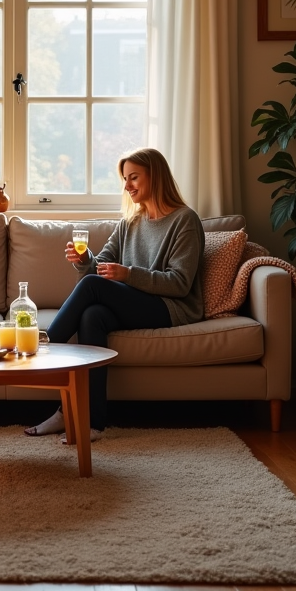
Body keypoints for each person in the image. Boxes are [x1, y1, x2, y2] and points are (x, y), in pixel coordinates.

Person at [24, 147, 205, 443]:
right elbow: (99, 267)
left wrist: (128, 274)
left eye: (134, 177)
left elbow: (180, 283)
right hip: (133, 303)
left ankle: (43, 348)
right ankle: (86, 420)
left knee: (92, 288)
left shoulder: (185, 220)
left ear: (155, 177)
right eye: (124, 179)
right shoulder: (130, 222)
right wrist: (84, 261)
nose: (127, 186)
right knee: (92, 315)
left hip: (171, 308)